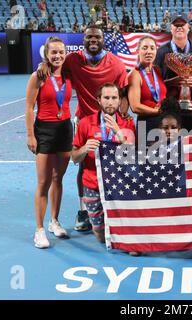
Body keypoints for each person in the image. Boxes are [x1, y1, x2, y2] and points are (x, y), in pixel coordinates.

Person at [37, 22, 129, 233]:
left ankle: (111, 208)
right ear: (83, 39)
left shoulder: (116, 63)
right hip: (85, 122)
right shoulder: (73, 60)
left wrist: (122, 115)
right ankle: (84, 211)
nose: (93, 40)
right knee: (83, 166)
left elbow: (122, 92)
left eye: (97, 37)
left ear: (103, 39)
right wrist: (43, 65)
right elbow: (54, 65)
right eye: (89, 37)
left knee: (115, 164)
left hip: (109, 122)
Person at [71, 83, 136, 248]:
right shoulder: (85, 123)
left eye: (114, 98)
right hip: (92, 184)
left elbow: (132, 156)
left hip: (119, 185)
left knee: (121, 229)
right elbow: (74, 158)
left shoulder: (127, 124)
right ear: (98, 100)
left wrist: (118, 132)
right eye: (106, 98)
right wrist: (85, 149)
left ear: (120, 101)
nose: (110, 102)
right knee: (100, 234)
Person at [25, 37, 73, 249]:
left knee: (58, 178)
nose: (57, 56)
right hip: (44, 131)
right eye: (53, 52)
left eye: (61, 52)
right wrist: (30, 135)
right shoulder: (39, 76)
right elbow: (28, 107)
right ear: (46, 54)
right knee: (43, 182)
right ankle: (39, 230)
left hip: (65, 129)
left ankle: (54, 221)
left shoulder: (69, 74)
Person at [154, 13, 192, 107]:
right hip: (168, 106)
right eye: (176, 25)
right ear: (170, 28)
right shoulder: (161, 52)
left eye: (182, 24)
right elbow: (155, 81)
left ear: (188, 27)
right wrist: (170, 82)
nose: (179, 27)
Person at [128, 36, 167, 139]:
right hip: (146, 124)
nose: (148, 51)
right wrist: (158, 111)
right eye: (144, 48)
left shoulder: (156, 70)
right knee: (146, 155)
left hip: (163, 122)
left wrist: (174, 81)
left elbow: (157, 89)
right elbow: (135, 106)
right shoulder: (135, 74)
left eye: (152, 48)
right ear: (138, 51)